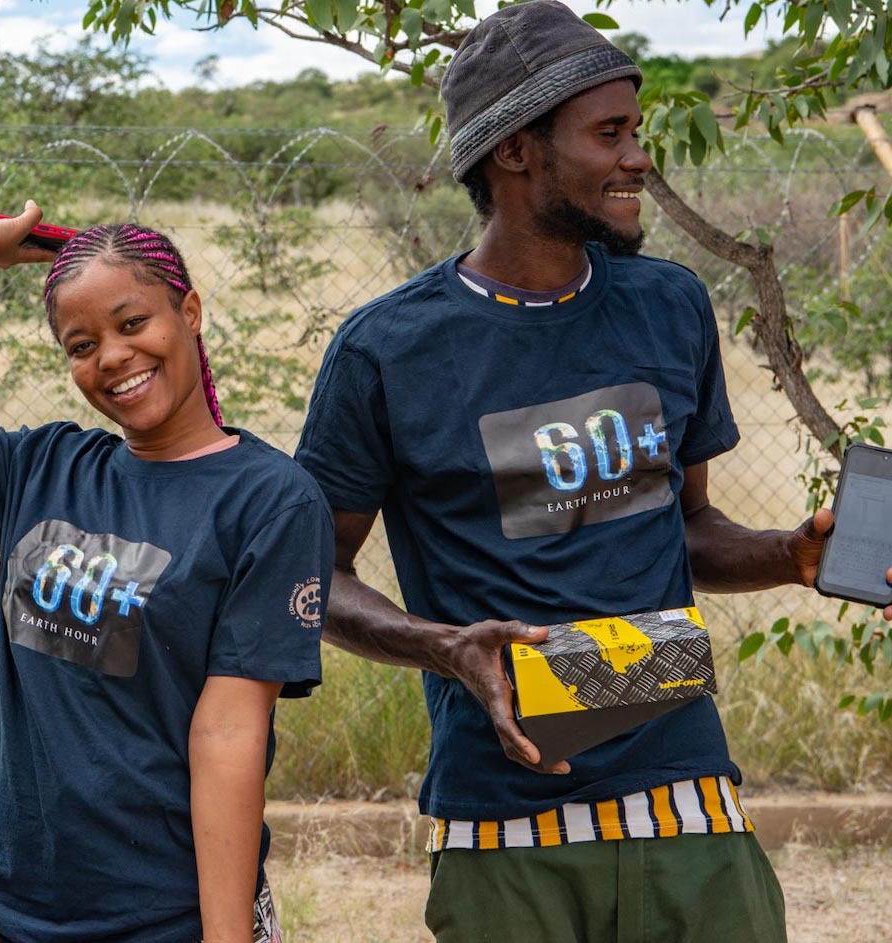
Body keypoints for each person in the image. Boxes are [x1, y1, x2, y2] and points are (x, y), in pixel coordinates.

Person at [292, 3, 879, 939]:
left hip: (685, 796)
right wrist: (446, 646)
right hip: (501, 821)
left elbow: (687, 527)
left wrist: (785, 554)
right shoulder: (388, 351)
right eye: (610, 134)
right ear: (517, 151)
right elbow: (311, 571)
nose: (639, 158)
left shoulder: (669, 306)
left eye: (635, 132)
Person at [0, 206, 330, 943]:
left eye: (133, 323)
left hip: (164, 915)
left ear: (189, 312)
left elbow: (228, 732)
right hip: (6, 910)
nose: (111, 356)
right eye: (82, 343)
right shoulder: (40, 470)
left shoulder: (269, 500)